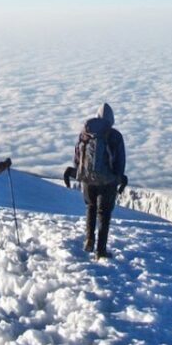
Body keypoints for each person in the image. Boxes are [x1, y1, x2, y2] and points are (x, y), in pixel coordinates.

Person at [71, 103, 127, 260]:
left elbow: (77, 156)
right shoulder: (114, 135)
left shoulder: (85, 133)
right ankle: (100, 250)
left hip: (87, 180)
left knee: (90, 207)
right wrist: (118, 177)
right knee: (104, 214)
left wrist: (80, 172)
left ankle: (89, 241)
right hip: (107, 181)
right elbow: (120, 162)